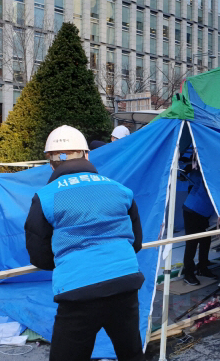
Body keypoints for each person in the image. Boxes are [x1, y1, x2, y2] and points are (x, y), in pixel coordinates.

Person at [24, 125, 145, 361]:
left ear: (50, 162)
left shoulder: (46, 197)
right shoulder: (120, 189)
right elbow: (136, 242)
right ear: (87, 154)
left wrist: (69, 262)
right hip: (124, 283)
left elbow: (38, 254)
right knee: (131, 355)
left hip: (78, 292)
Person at [182, 165, 217, 286]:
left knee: (206, 240)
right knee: (192, 241)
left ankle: (202, 267)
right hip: (193, 209)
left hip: (204, 211)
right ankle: (188, 273)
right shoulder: (208, 172)